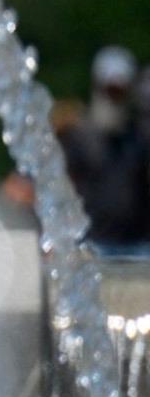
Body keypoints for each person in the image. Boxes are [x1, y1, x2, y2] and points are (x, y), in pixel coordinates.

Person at [61, 47, 150, 251]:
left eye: (120, 92)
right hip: (94, 244)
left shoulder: (138, 139)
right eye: (110, 91)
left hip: (137, 246)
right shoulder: (77, 138)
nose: (114, 99)